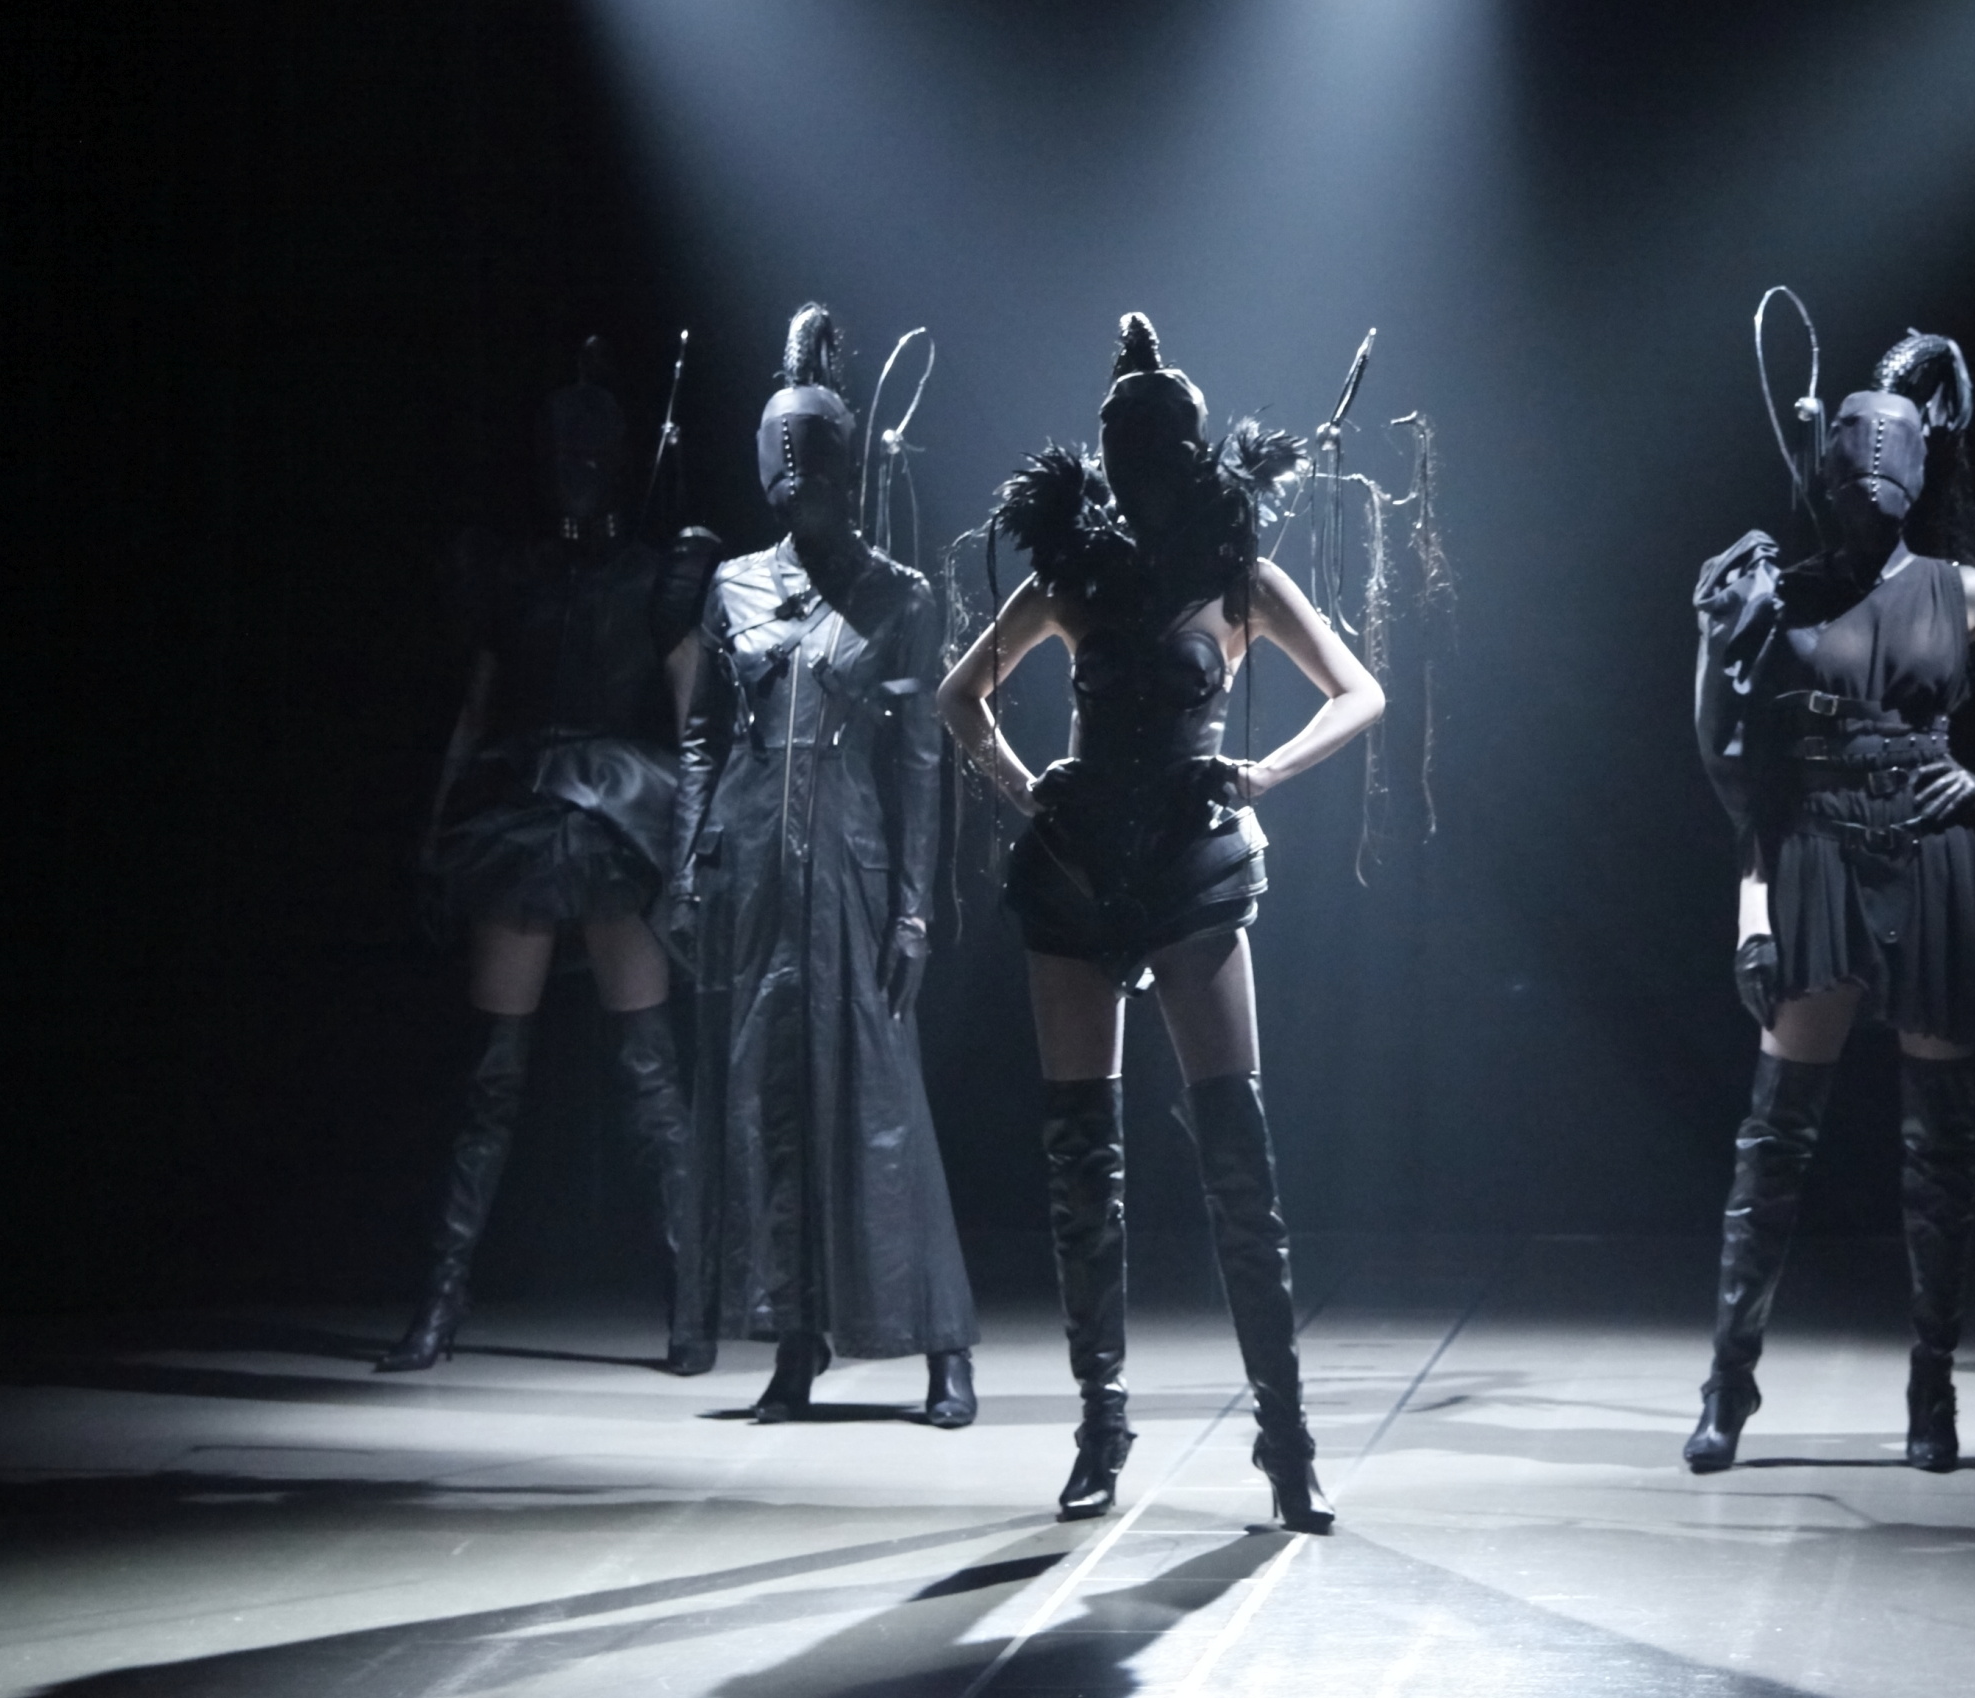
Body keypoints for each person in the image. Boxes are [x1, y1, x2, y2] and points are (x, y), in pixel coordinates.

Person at [939, 312, 1383, 1532]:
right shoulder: (1070, 579)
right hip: (1079, 865)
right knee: (1081, 1155)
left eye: (1152, 446)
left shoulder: (1237, 580)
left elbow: (1360, 690)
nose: (1135, 466)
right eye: (1119, 448)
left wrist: (1265, 771)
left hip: (1192, 860)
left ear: (1186, 451)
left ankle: (1285, 1434)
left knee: (1235, 1155)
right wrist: (1025, 785)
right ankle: (1102, 1421)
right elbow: (961, 695)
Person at [1687, 329, 1975, 1475]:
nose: (1864, 497)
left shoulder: (1959, 590)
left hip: (1931, 855)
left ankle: (1934, 1381)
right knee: (1775, 1138)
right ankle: (1729, 1376)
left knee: (1939, 1147)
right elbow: (1740, 770)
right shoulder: (1781, 589)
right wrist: (1752, 908)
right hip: (1813, 853)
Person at [385, 338, 721, 1375]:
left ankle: (690, 1298)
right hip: (522, 815)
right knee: (493, 1073)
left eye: (591, 453)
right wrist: (435, 830)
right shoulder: (514, 573)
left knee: (649, 1069)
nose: (575, 469)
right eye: (561, 453)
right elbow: (476, 710)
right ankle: (441, 1299)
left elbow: (693, 727)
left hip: (623, 821)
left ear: (617, 460)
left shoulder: (655, 576)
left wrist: (692, 848)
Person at [672, 304, 978, 1426]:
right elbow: (701, 735)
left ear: (845, 469)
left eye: (817, 464)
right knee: (768, 1100)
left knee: (882, 1099)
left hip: (849, 863)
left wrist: (914, 910)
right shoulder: (734, 586)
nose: (800, 485)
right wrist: (687, 862)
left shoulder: (900, 595)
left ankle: (943, 1342)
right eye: (784, 465)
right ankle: (794, 1341)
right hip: (752, 865)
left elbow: (922, 762)